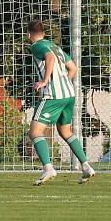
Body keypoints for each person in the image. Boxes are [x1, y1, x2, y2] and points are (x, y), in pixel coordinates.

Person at [25, 20, 95, 186]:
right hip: (69, 94)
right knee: (65, 131)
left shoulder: (37, 46)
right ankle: (86, 166)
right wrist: (63, 83)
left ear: (29, 35)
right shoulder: (55, 46)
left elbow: (49, 57)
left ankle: (48, 168)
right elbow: (73, 68)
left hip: (53, 96)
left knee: (34, 132)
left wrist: (45, 80)